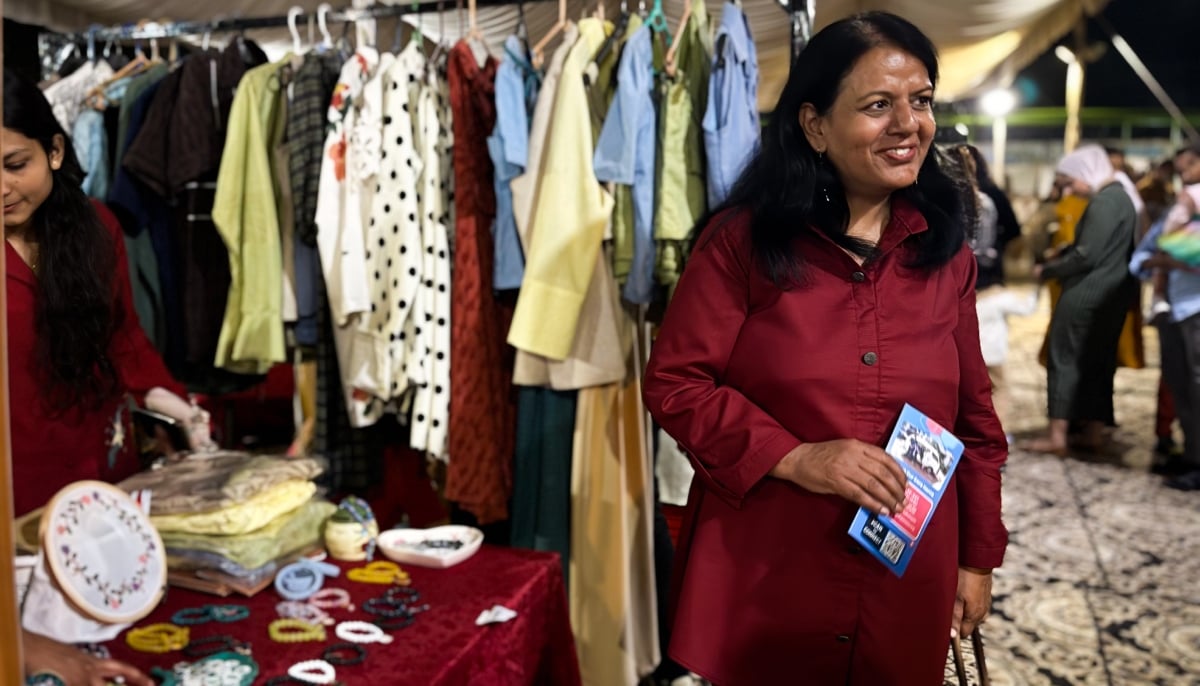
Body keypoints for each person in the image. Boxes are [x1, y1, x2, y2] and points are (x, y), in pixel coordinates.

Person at [642, 12, 1007, 685]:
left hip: (907, 574)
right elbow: (676, 384)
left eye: (920, 101)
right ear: (814, 125)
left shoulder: (944, 255)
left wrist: (977, 559)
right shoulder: (741, 244)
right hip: (769, 570)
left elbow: (975, 424)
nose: (908, 124)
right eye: (878, 106)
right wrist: (797, 456)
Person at [4, 67, 205, 686]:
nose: (0, 188)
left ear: (56, 151)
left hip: (95, 476)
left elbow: (124, 341)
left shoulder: (96, 228)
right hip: (14, 491)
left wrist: (176, 406)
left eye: (16, 164)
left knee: (116, 643)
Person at [1024, 144, 1139, 455]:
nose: (1069, 191)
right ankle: (1093, 432)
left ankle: (1057, 436)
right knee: (1098, 363)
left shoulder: (1105, 201)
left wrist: (1048, 269)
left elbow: (1087, 255)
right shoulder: (1121, 198)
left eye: (1070, 182)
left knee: (1064, 361)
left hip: (1086, 294)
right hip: (1110, 295)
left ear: (1087, 173)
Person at [959, 144, 1021, 289]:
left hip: (960, 273)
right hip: (989, 271)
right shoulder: (994, 193)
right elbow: (1013, 230)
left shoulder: (948, 197)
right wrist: (996, 244)